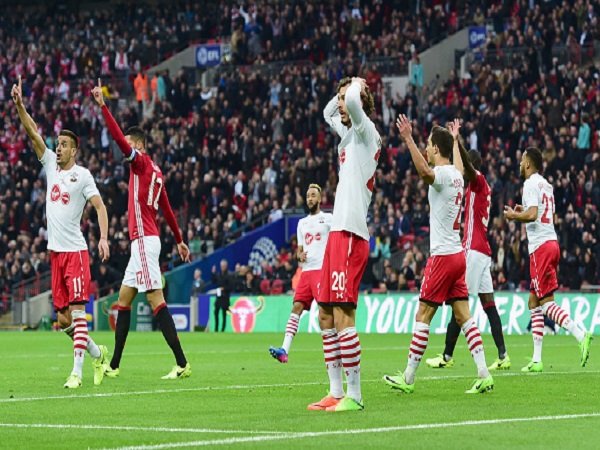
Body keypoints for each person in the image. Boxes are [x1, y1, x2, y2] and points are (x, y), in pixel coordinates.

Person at [11, 75, 110, 389]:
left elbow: (100, 206)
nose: (59, 147)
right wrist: (20, 107)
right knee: (64, 321)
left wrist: (104, 237)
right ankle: (97, 352)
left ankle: (76, 373)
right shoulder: (51, 165)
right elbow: (33, 132)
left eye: (64, 144)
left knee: (79, 314)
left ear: (75, 150)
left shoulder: (83, 176)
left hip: (76, 253)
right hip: (56, 255)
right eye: (58, 143)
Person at [383, 117, 494, 394]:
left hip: (442, 256)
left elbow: (423, 172)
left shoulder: (443, 175)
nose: (427, 149)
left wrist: (407, 138)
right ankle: (483, 373)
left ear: (435, 149)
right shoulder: (457, 175)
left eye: (429, 146)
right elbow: (456, 165)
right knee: (463, 316)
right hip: (458, 255)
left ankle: (408, 377)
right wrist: (455, 139)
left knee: (423, 314)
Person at [91, 79, 192, 380]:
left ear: (136, 145)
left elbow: (122, 143)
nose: (125, 149)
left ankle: (182, 363)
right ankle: (114, 365)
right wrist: (180, 240)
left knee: (154, 300)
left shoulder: (141, 164)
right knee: (124, 299)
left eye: (129, 144)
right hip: (146, 242)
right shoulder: (156, 172)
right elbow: (170, 210)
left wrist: (104, 108)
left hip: (145, 241)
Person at [308, 77, 380, 413]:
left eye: (345, 98)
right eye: (339, 98)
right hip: (337, 232)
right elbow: (326, 114)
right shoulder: (351, 135)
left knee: (342, 314)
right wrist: (340, 93)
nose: (340, 103)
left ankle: (355, 394)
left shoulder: (367, 132)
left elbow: (351, 102)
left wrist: (357, 84)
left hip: (352, 233)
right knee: (324, 313)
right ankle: (335, 391)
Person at [504, 147, 592, 372]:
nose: (520, 162)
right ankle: (536, 359)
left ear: (528, 163)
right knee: (533, 302)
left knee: (546, 303)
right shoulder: (546, 185)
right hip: (551, 242)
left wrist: (516, 216)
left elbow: (533, 215)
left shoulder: (529, 184)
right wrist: (523, 211)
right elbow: (540, 213)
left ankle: (580, 333)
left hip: (540, 248)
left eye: (522, 159)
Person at [426, 148, 510, 370]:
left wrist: (455, 142)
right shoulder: (473, 188)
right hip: (482, 252)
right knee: (489, 305)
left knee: (458, 303)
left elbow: (470, 170)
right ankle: (503, 356)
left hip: (473, 251)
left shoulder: (478, 180)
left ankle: (446, 355)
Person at [269, 183, 332, 363]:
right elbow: (299, 251)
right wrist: (299, 255)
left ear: (320, 198)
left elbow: (337, 241)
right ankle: (284, 350)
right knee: (296, 307)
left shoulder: (328, 219)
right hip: (306, 272)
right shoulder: (301, 224)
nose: (310, 198)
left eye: (313, 195)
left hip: (321, 271)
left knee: (325, 313)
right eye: (308, 196)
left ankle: (335, 350)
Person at [211, 259, 233, 332]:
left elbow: (231, 286)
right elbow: (214, 281)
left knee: (224, 314)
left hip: (225, 297)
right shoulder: (218, 274)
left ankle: (223, 329)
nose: (222, 267)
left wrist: (223, 288)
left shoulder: (229, 275)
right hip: (219, 297)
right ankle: (216, 329)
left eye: (223, 266)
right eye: (221, 266)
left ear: (226, 266)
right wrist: (213, 273)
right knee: (216, 312)